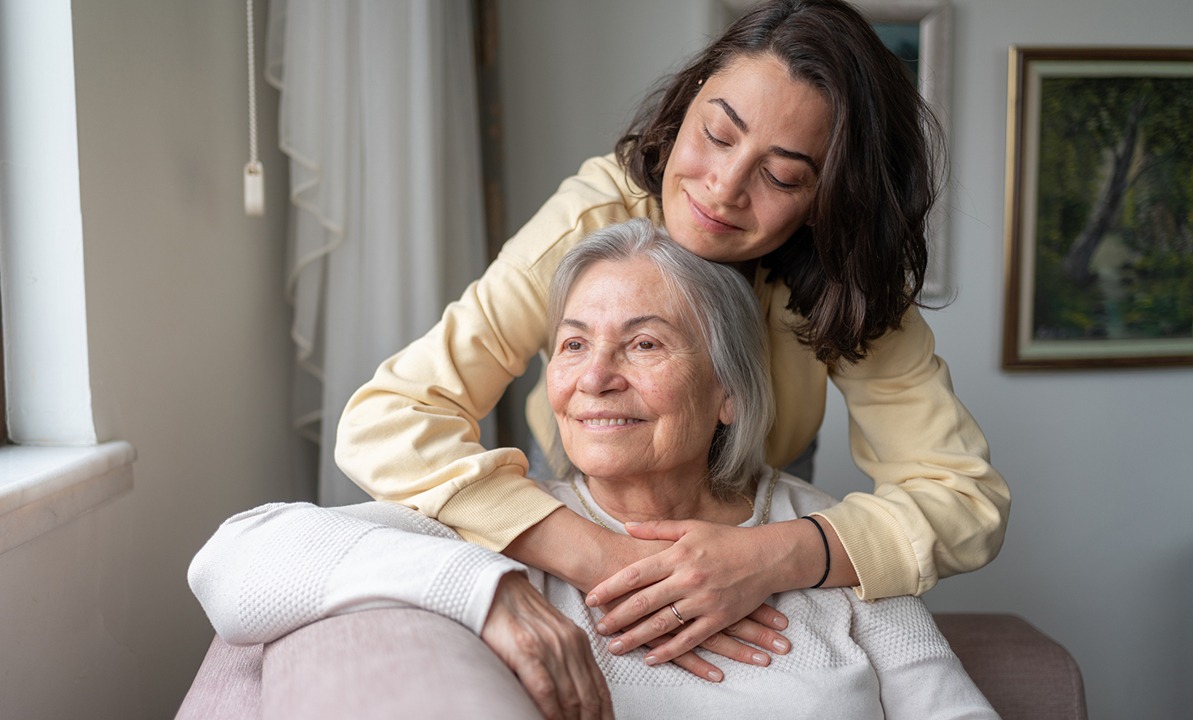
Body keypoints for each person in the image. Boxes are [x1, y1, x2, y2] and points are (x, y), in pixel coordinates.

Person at [334, 0, 1010, 671]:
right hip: (574, 498)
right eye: (717, 134)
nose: (722, 189)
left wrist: (767, 555)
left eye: (781, 175)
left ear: (830, 198)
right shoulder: (590, 220)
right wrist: (593, 553)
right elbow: (388, 420)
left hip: (761, 511)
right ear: (687, 103)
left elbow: (964, 499)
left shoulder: (849, 282)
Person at [190, 220, 999, 719]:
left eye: (644, 344)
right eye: (573, 344)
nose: (594, 377)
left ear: (728, 391)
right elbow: (232, 560)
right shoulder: (505, 525)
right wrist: (489, 591)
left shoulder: (830, 540)